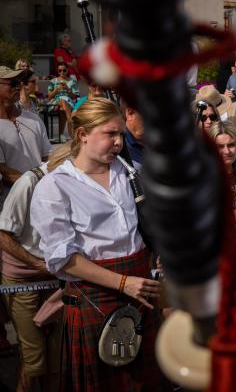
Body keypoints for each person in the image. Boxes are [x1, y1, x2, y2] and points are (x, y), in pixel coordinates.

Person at [30, 98, 167, 390]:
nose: (119, 142)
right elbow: (64, 259)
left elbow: (141, 228)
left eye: (120, 134)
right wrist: (122, 283)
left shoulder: (127, 173)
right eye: (110, 134)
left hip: (140, 287)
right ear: (82, 135)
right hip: (95, 295)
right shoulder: (54, 187)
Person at [0, 145, 70, 392]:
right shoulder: (29, 182)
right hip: (22, 279)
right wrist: (37, 263)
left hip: (55, 277)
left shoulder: (70, 184)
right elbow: (3, 235)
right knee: (34, 359)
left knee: (56, 358)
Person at [0, 67, 52, 208]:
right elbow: (4, 171)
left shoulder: (34, 119)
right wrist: (40, 186)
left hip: (42, 198)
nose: (18, 87)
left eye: (19, 83)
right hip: (11, 203)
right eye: (12, 84)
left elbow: (48, 157)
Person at [47, 64, 79, 142]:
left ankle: (61, 135)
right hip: (55, 102)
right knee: (62, 99)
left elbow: (75, 96)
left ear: (67, 70)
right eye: (60, 70)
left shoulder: (72, 81)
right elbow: (49, 97)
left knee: (62, 109)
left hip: (69, 102)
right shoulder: (53, 81)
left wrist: (68, 89)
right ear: (57, 71)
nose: (62, 72)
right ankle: (70, 119)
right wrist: (56, 90)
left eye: (64, 70)